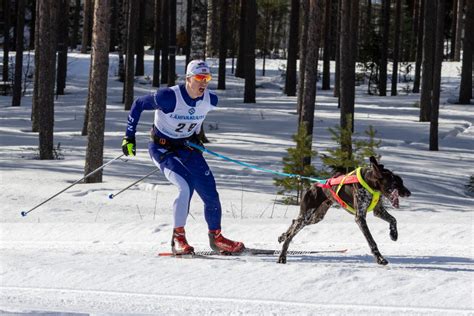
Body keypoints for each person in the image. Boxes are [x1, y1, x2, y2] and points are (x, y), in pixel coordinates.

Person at [121, 60, 245, 255]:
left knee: (210, 192)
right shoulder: (169, 97)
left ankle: (217, 238)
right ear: (188, 79)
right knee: (185, 185)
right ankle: (178, 238)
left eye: (207, 78)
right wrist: (129, 137)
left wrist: (196, 136)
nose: (203, 83)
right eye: (199, 78)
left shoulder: (210, 100)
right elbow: (138, 104)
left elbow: (195, 116)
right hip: (162, 148)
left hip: (187, 148)